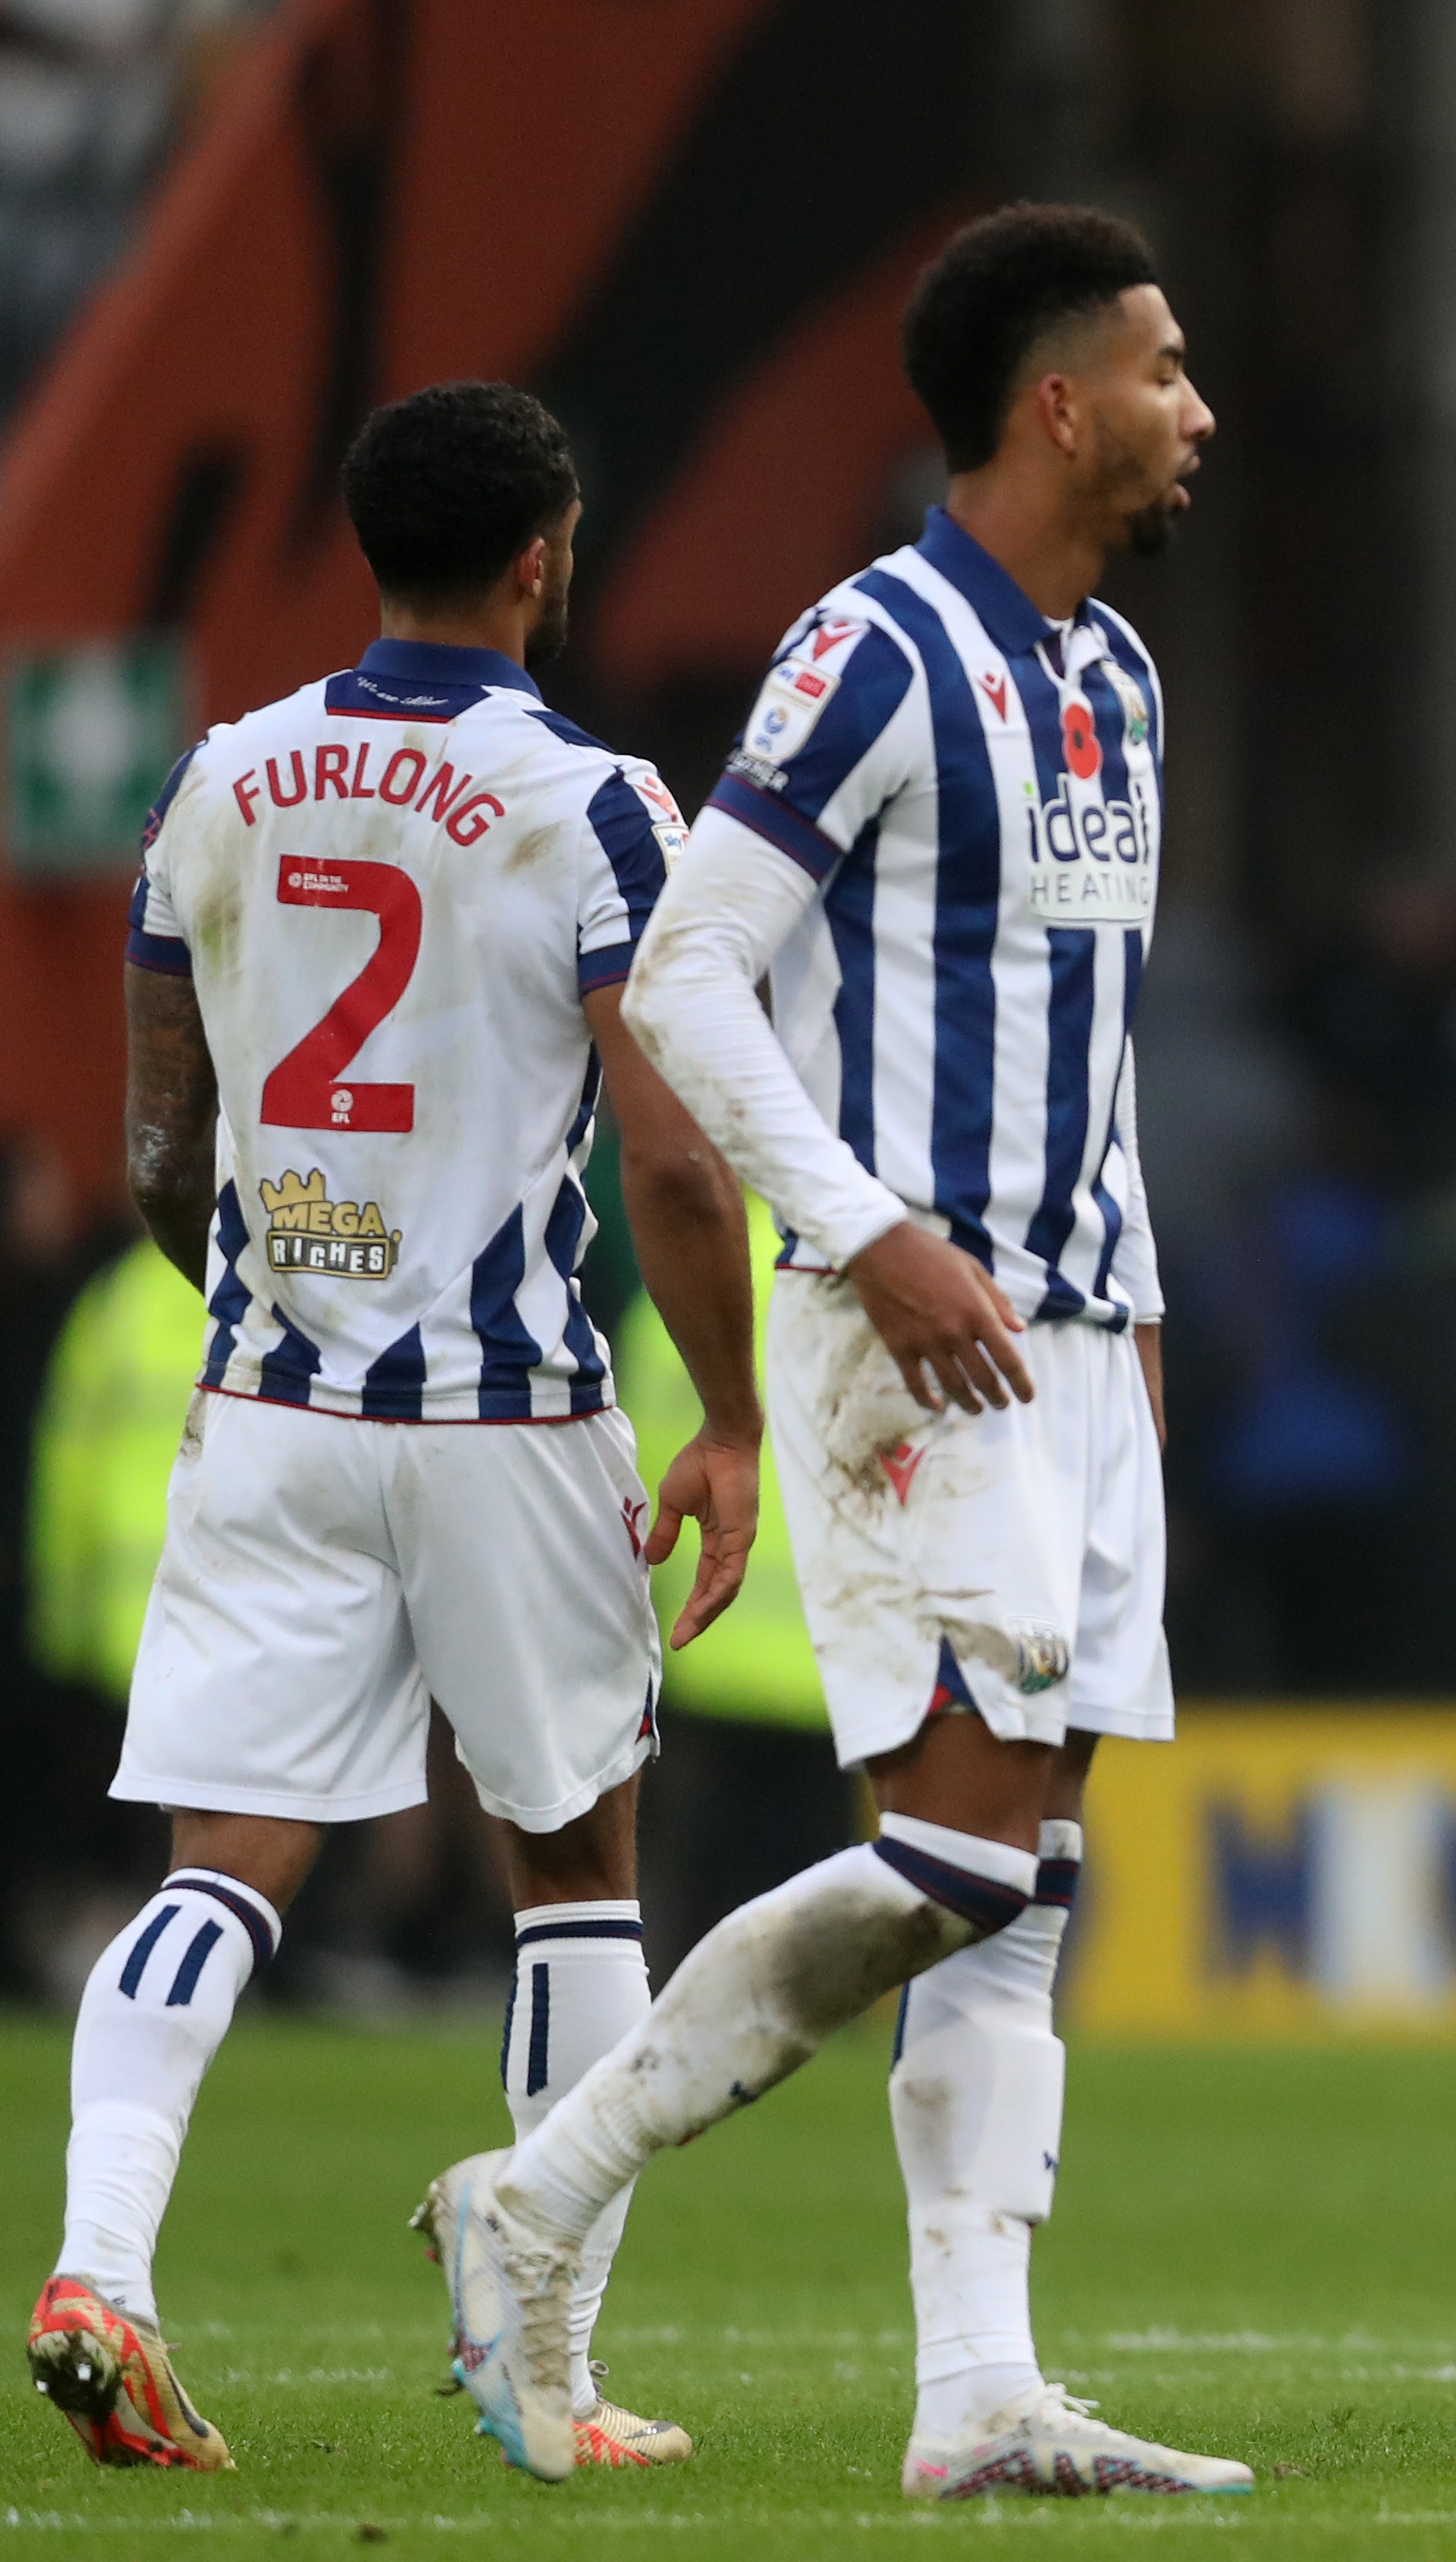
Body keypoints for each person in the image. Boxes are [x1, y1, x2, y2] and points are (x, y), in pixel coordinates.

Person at [425, 202, 1243, 2500]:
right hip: (914, 1335)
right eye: (1167, 371)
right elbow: (687, 979)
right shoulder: (875, 650)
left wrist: (1140, 1319)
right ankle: (543, 2185)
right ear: (1057, 402)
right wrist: (867, 1231)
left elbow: (1091, 1052)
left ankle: (976, 2386)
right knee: (971, 1857)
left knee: (1031, 1862)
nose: (1201, 411)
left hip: (1074, 1342)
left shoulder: (1121, 678)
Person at [27, 382, 760, 2474]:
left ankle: (103, 2265)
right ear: (544, 550)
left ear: (370, 547)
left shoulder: (221, 779)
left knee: (217, 1867)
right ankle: (547, 2363)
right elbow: (684, 1164)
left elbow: (166, 1129)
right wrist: (718, 1412)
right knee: (572, 1870)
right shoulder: (596, 800)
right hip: (510, 1409)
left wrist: (272, 1301)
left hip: (272, 1398)